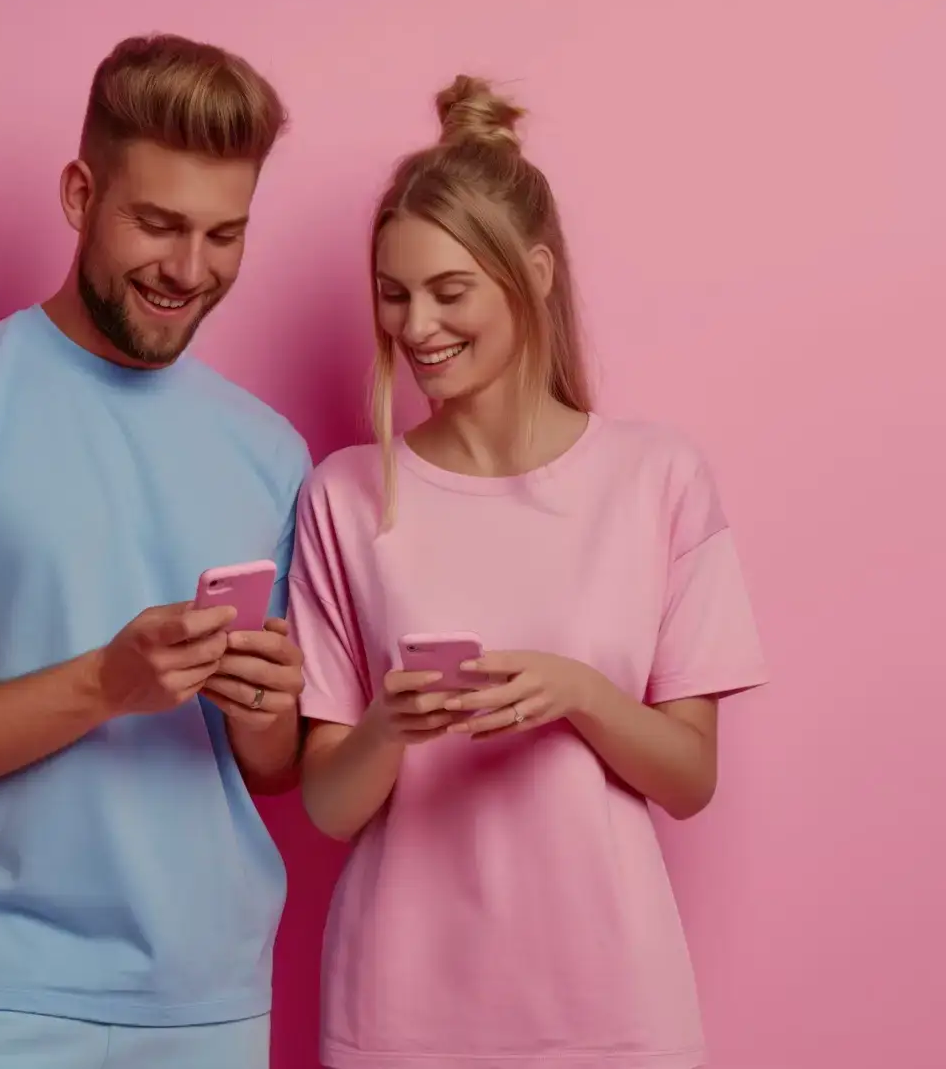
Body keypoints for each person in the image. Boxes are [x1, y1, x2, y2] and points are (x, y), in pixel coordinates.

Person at [0, 34, 312, 1068]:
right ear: (81, 194)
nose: (190, 269)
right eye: (158, 223)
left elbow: (270, 772)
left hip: (208, 1003)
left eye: (225, 234)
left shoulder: (272, 449)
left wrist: (268, 714)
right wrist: (105, 683)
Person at [291, 76, 770, 1069]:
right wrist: (390, 722)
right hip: (398, 1012)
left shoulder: (657, 476)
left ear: (535, 272)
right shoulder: (346, 495)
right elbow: (330, 806)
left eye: (448, 290)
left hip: (613, 1009)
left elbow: (690, 779)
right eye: (393, 294)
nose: (416, 325)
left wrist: (580, 692)